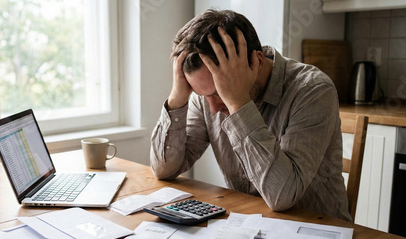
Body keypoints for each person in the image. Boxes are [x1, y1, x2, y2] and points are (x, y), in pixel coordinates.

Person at [150, 9, 352, 222]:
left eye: (219, 93)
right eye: (203, 95)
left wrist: (237, 103)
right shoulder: (207, 95)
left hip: (318, 231)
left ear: (256, 62)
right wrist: (177, 98)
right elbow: (164, 170)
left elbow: (282, 196)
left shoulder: (313, 90)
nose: (213, 109)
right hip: (250, 224)